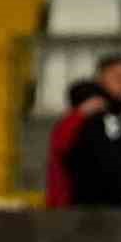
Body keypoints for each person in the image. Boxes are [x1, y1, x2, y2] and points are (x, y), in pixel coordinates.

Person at [62, 54, 121, 208]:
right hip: (98, 213)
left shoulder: (103, 114)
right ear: (100, 78)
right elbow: (113, 168)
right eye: (117, 77)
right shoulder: (103, 116)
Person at [44, 79, 105, 209]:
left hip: (65, 199)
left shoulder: (67, 123)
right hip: (68, 200)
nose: (103, 105)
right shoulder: (74, 124)